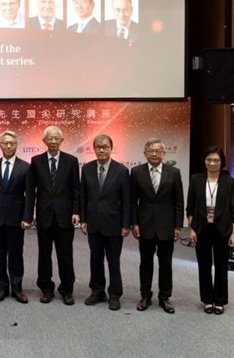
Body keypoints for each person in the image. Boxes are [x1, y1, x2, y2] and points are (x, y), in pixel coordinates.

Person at [23, 126, 80, 305]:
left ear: (62, 141)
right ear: (44, 141)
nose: (54, 141)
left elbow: (76, 190)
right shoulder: (36, 161)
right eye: (50, 138)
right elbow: (31, 191)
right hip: (44, 216)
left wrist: (76, 212)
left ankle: (66, 289)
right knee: (44, 254)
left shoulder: (71, 161)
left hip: (65, 216)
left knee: (65, 255)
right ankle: (46, 288)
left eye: (57, 138)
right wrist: (28, 215)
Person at [131, 138, 184, 314]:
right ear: (145, 153)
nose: (154, 154)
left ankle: (165, 297)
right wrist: (135, 223)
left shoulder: (174, 173)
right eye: (151, 150)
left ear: (163, 153)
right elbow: (132, 201)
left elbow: (178, 202)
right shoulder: (136, 172)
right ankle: (145, 295)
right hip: (145, 226)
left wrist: (178, 226)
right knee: (145, 263)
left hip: (166, 227)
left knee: (165, 264)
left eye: (158, 151)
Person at [80, 134, 131, 311]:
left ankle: (115, 294)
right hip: (93, 222)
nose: (102, 150)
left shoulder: (122, 171)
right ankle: (97, 291)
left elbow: (127, 200)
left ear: (111, 148)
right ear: (94, 149)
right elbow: (83, 196)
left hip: (114, 224)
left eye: (105, 147)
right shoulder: (86, 169)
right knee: (95, 259)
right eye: (98, 147)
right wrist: (83, 219)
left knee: (113, 261)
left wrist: (126, 224)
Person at [186, 146, 234, 314]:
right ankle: (208, 300)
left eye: (216, 160)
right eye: (209, 159)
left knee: (221, 266)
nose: (212, 163)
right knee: (204, 265)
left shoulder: (229, 181)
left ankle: (220, 300)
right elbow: (190, 207)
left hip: (222, 229)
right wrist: (192, 229)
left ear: (221, 162)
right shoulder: (196, 180)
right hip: (201, 228)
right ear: (204, 161)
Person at [0, 130, 30, 303]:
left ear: (17, 145)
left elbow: (29, 195)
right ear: (0, 145)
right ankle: (2, 288)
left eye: (12, 143)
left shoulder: (25, 167)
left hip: (17, 219)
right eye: (5, 143)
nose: (9, 146)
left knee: (16, 254)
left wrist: (27, 217)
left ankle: (17, 288)